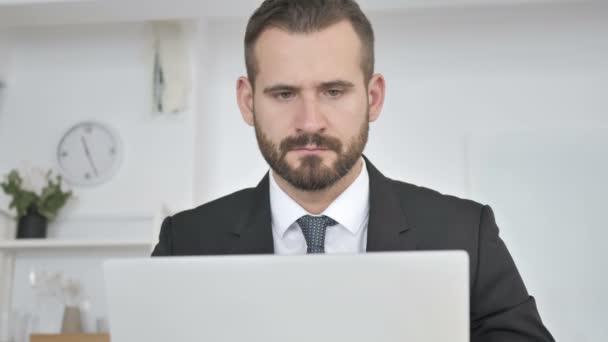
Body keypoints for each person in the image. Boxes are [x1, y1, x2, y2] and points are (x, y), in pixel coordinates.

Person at [152, 0, 555, 340]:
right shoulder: (185, 243)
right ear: (247, 101)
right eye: (283, 93)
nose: (310, 121)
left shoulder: (465, 233)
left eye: (333, 91)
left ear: (373, 97)